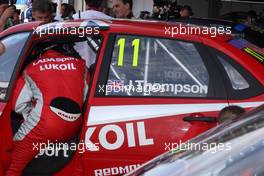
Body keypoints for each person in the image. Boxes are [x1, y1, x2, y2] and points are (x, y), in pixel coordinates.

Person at [6, 44, 89, 175]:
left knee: (12, 164)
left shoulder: (32, 68)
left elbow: (17, 105)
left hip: (44, 125)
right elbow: (84, 97)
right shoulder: (81, 65)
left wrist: (31, 112)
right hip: (75, 125)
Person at [73, 0, 112, 68]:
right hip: (102, 69)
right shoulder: (112, 21)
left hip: (77, 67)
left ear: (85, 2)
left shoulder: (73, 19)